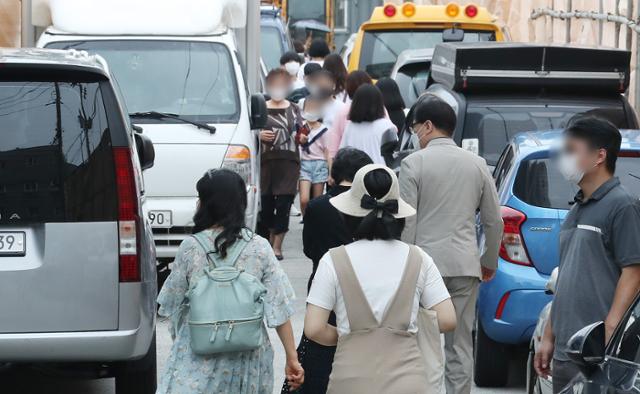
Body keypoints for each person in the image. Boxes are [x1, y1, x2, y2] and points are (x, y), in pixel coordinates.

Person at [304, 164, 456, 394]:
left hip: (350, 380)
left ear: (349, 215)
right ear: (397, 217)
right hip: (409, 382)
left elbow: (314, 328)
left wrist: (349, 334)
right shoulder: (419, 258)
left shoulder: (333, 260)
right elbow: (447, 319)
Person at [157, 169, 304, 394]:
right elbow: (279, 307)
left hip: (199, 351)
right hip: (248, 357)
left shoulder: (191, 247)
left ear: (207, 204)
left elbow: (169, 303)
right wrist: (292, 357)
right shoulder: (260, 246)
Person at [398, 95, 503, 394]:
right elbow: (494, 221)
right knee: (459, 346)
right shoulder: (477, 163)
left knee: (419, 342)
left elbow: (408, 221)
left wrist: (404, 267)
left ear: (428, 126)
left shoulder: (412, 163)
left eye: (416, 128)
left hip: (422, 266)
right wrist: (488, 262)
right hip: (464, 266)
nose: (415, 135)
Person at [534, 116, 640, 393]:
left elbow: (633, 271)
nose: (564, 159)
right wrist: (548, 336)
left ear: (599, 156)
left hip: (596, 352)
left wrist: (609, 331)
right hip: (566, 350)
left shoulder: (622, 206)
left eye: (572, 150)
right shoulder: (576, 210)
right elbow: (567, 274)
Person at [280, 148, 374, 394]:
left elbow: (309, 249)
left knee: (318, 352)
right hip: (364, 288)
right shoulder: (371, 206)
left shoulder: (317, 206)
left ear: (334, 174)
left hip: (323, 287)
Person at [260, 68, 302, 260]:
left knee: (284, 204)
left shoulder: (295, 108)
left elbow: (302, 132)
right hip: (266, 164)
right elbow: (249, 131)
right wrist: (259, 135)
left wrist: (302, 137)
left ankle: (277, 246)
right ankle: (269, 240)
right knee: (267, 205)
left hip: (289, 163)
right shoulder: (260, 108)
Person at [339, 84, 397, 166]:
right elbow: (393, 154)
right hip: (380, 172)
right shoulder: (386, 126)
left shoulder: (350, 126)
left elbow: (342, 152)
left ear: (356, 103)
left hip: (354, 173)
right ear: (379, 102)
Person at [297, 95, 332, 216]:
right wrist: (300, 140)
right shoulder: (300, 127)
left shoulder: (325, 129)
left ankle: (314, 223)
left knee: (317, 201)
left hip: (320, 164)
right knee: (304, 200)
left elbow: (328, 152)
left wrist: (330, 172)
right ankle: (306, 219)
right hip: (304, 164)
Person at [328, 70, 374, 157]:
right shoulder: (379, 109)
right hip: (377, 164)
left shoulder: (343, 111)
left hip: (350, 164)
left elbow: (333, 148)